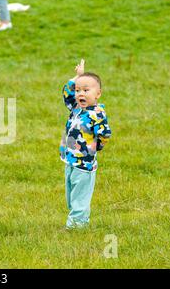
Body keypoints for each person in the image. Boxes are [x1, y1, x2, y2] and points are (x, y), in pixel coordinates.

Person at [60, 59, 112, 229]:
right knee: (71, 195)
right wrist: (79, 76)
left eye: (85, 90)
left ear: (98, 94)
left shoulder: (97, 114)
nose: (80, 93)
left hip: (85, 163)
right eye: (78, 90)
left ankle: (77, 226)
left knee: (80, 196)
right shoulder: (76, 108)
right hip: (70, 160)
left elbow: (104, 134)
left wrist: (94, 148)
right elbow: (66, 91)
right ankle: (75, 219)